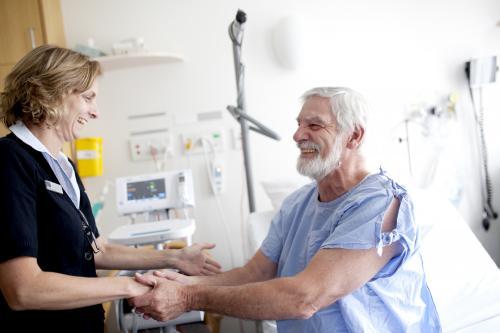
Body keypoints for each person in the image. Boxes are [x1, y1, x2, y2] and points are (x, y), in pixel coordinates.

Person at [130, 87, 442, 332]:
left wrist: (188, 298)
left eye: (314, 125)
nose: (297, 135)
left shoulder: (380, 203)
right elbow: (254, 274)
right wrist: (183, 283)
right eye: (298, 124)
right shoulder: (297, 204)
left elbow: (305, 297)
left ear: (354, 135)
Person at [0, 45, 221, 333]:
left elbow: (96, 248)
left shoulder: (62, 164)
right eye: (88, 98)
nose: (95, 112)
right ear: (52, 92)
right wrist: (127, 286)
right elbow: (23, 289)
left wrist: (174, 257)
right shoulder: (10, 160)